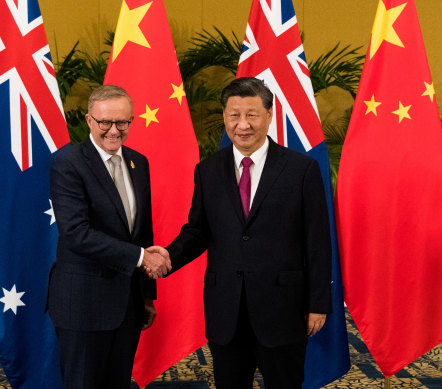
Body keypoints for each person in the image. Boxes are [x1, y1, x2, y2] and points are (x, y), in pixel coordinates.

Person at [147, 77, 332, 389]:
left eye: (252, 115)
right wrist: (168, 256)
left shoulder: (301, 170)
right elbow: (198, 230)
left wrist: (318, 303)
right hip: (226, 310)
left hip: (283, 308)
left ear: (269, 115)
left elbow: (317, 242)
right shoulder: (207, 170)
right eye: (234, 115)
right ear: (224, 117)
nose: (242, 125)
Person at [47, 84, 171, 389]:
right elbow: (77, 234)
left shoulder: (138, 162)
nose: (114, 130)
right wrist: (142, 259)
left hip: (127, 305)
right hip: (83, 305)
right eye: (105, 122)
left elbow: (142, 231)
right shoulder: (68, 163)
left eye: (122, 122)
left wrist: (146, 295)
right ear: (90, 120)